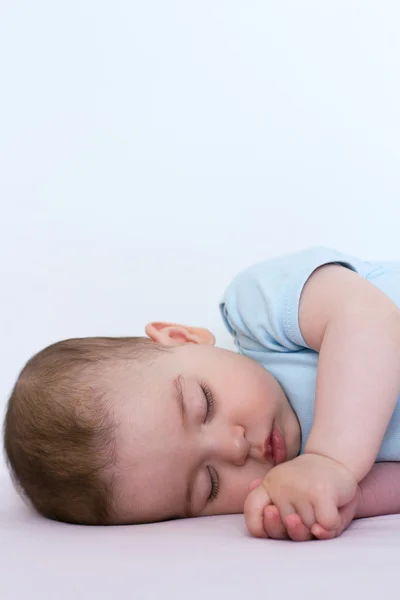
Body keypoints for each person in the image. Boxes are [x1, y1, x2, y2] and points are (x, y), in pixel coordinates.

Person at [4, 247, 400, 541]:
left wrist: (330, 460)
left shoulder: (258, 312)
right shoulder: (299, 471)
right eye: (208, 484)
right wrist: (335, 499)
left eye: (204, 404)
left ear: (181, 338)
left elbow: (367, 318)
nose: (235, 448)